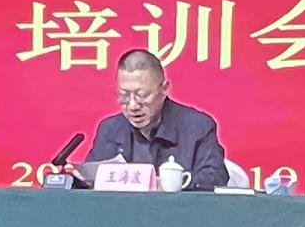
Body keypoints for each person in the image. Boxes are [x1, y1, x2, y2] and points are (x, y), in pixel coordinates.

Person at [82, 50, 229, 190]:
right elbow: (89, 181)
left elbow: (215, 178)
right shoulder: (110, 129)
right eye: (124, 95)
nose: (133, 105)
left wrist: (170, 183)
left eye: (142, 95)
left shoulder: (197, 127)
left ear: (164, 89)